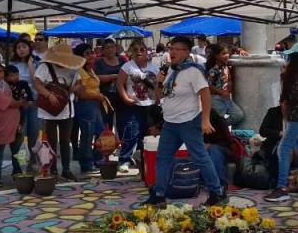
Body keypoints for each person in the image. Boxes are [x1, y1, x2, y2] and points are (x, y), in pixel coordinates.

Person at [143, 36, 227, 207]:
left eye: (177, 49)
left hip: (189, 121)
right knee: (163, 158)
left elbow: (205, 94)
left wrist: (205, 120)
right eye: (170, 48)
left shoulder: (193, 71)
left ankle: (217, 192)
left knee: (200, 157)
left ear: (187, 52)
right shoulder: (171, 71)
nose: (172, 52)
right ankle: (159, 194)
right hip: (170, 122)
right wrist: (158, 83)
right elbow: (160, 97)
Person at [265, 42, 298, 202]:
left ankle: (282, 188)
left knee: (284, 149)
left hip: (297, 117)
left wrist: (286, 81)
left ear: (297, 58)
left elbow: (293, 98)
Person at [34, 43, 84, 180]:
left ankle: (66, 169)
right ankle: (52, 168)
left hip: (67, 109)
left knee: (65, 140)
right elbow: (37, 83)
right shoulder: (45, 67)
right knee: (50, 140)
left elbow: (80, 83)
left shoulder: (73, 69)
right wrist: (49, 95)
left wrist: (76, 88)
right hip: (47, 110)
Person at [117, 39, 156, 170]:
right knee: (131, 132)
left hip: (151, 104)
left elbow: (158, 87)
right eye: (135, 50)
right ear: (131, 52)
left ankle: (145, 157)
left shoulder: (154, 67)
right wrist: (125, 98)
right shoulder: (127, 66)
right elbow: (119, 84)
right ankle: (125, 159)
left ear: (147, 51)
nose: (139, 52)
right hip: (134, 104)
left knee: (149, 132)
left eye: (142, 49)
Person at [0, 61, 24, 187]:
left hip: (15, 123)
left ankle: (18, 173)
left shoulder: (3, 83)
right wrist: (22, 102)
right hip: (2, 125)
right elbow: (10, 103)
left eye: (1, 71)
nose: (0, 74)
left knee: (18, 151)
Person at [74, 43, 107, 176]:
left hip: (94, 104)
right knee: (87, 135)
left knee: (100, 132)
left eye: (92, 52)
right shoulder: (79, 71)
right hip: (84, 104)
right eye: (86, 54)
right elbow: (81, 93)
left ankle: (97, 159)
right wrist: (97, 96)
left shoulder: (89, 69)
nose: (91, 55)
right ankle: (86, 164)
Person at [8, 38, 41, 153]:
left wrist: (31, 64)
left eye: (24, 47)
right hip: (19, 104)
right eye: (18, 47)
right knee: (21, 133)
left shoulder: (37, 62)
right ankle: (20, 162)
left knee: (34, 132)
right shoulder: (13, 64)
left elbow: (35, 81)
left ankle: (33, 159)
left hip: (35, 102)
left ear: (29, 48)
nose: (21, 49)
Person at [206, 43, 245, 126]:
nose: (227, 55)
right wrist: (221, 92)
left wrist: (239, 50)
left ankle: (219, 129)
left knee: (238, 115)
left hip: (226, 97)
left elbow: (232, 49)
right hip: (215, 98)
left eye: (227, 53)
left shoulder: (225, 65)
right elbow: (208, 86)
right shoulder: (214, 69)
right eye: (223, 54)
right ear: (216, 56)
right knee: (217, 119)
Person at [94, 39, 122, 129]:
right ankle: (105, 142)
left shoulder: (122, 60)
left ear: (116, 49)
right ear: (102, 50)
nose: (110, 50)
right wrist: (113, 77)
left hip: (121, 96)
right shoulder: (98, 62)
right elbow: (96, 78)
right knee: (105, 124)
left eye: (112, 47)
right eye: (107, 48)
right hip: (105, 97)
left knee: (120, 123)